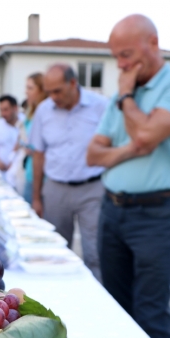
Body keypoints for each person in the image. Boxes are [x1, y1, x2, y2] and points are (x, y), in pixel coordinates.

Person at [86, 15, 170, 338]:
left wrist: (125, 97)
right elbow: (93, 154)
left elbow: (148, 136)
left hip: (155, 214)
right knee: (116, 306)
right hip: (112, 210)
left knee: (151, 311)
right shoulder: (121, 98)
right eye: (116, 57)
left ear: (153, 43)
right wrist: (129, 150)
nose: (121, 65)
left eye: (126, 54)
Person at [29, 64, 108, 280]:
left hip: (92, 190)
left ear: (73, 83)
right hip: (56, 190)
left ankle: (99, 303)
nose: (53, 97)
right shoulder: (44, 111)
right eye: (49, 91)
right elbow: (38, 154)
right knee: (56, 253)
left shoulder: (100, 106)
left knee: (96, 253)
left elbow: (112, 146)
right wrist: (37, 197)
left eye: (57, 91)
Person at [18, 73, 48, 203]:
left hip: (44, 177)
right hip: (31, 172)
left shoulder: (47, 113)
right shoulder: (31, 113)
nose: (26, 92)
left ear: (41, 90)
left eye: (30, 88)